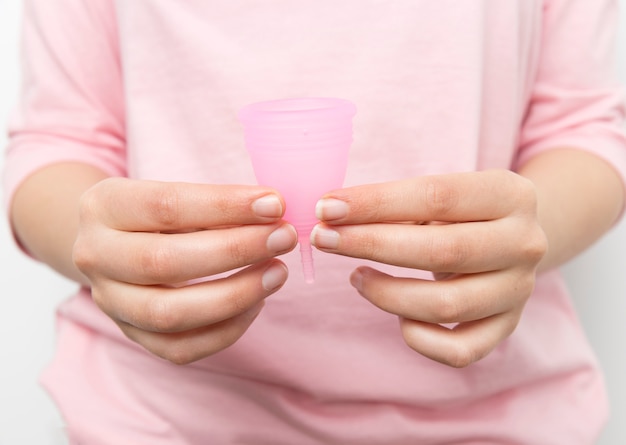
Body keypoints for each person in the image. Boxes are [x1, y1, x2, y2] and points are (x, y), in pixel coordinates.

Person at [4, 0, 626, 443]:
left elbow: (583, 128)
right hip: (159, 419)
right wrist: (110, 247)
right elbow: (59, 139)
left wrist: (525, 231)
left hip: (495, 416)